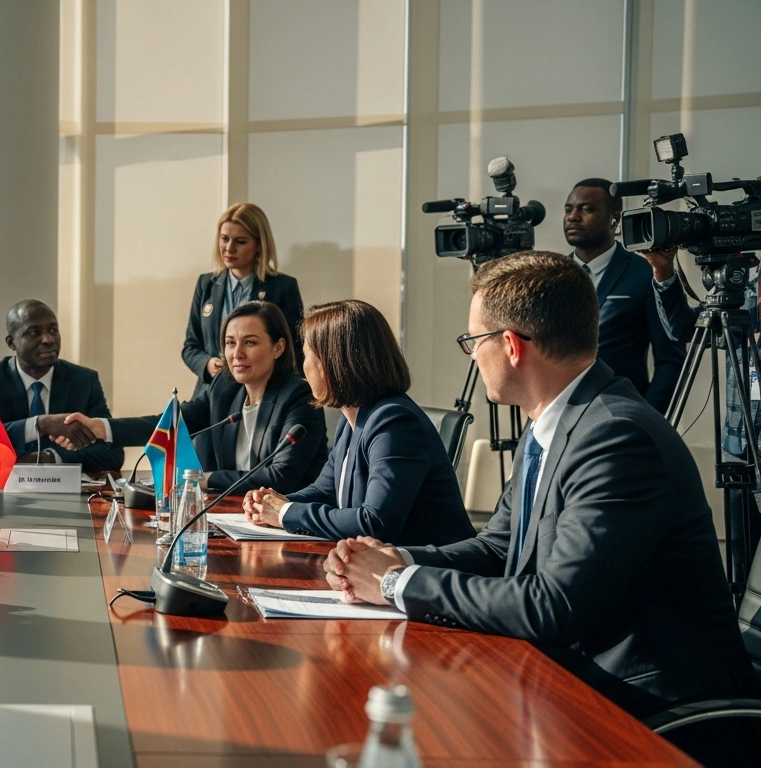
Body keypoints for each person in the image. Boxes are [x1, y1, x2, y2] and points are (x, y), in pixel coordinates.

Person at [323, 252, 756, 762]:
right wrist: (394, 559)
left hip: (643, 713)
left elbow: (554, 608)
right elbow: (498, 547)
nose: (471, 355)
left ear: (509, 346)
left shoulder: (617, 436)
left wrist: (396, 583)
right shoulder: (555, 422)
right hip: (565, 679)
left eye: (473, 342)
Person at [241, 300, 475, 546]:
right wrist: (272, 503)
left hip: (431, 572)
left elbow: (374, 522)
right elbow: (326, 492)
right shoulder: (351, 416)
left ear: (333, 363)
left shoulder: (394, 422)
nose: (304, 367)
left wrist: (284, 512)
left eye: (307, 356)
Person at [62, 301, 328, 495]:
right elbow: (168, 426)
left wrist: (204, 479)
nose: (236, 354)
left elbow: (280, 477)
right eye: (230, 343)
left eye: (250, 342)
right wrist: (101, 428)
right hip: (233, 515)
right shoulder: (224, 388)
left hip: (288, 527)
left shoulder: (299, 397)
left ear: (278, 347)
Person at [563, 178, 690, 412]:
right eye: (569, 209)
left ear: (615, 218)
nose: (573, 216)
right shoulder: (550, 274)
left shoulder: (646, 274)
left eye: (587, 209)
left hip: (619, 413)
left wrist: (647, 416)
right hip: (554, 413)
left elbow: (671, 360)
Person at [0, 299, 124, 472]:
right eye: (34, 332)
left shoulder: (83, 380)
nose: (48, 339)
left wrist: (50, 458)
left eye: (53, 330)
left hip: (68, 492)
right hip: (4, 492)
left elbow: (113, 452)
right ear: (11, 342)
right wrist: (40, 424)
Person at [183, 203, 304, 397]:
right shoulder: (206, 284)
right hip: (211, 394)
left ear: (259, 245)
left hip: (263, 394)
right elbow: (191, 346)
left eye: (240, 241)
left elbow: (295, 350)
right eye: (224, 239)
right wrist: (207, 364)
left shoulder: (282, 287)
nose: (229, 248)